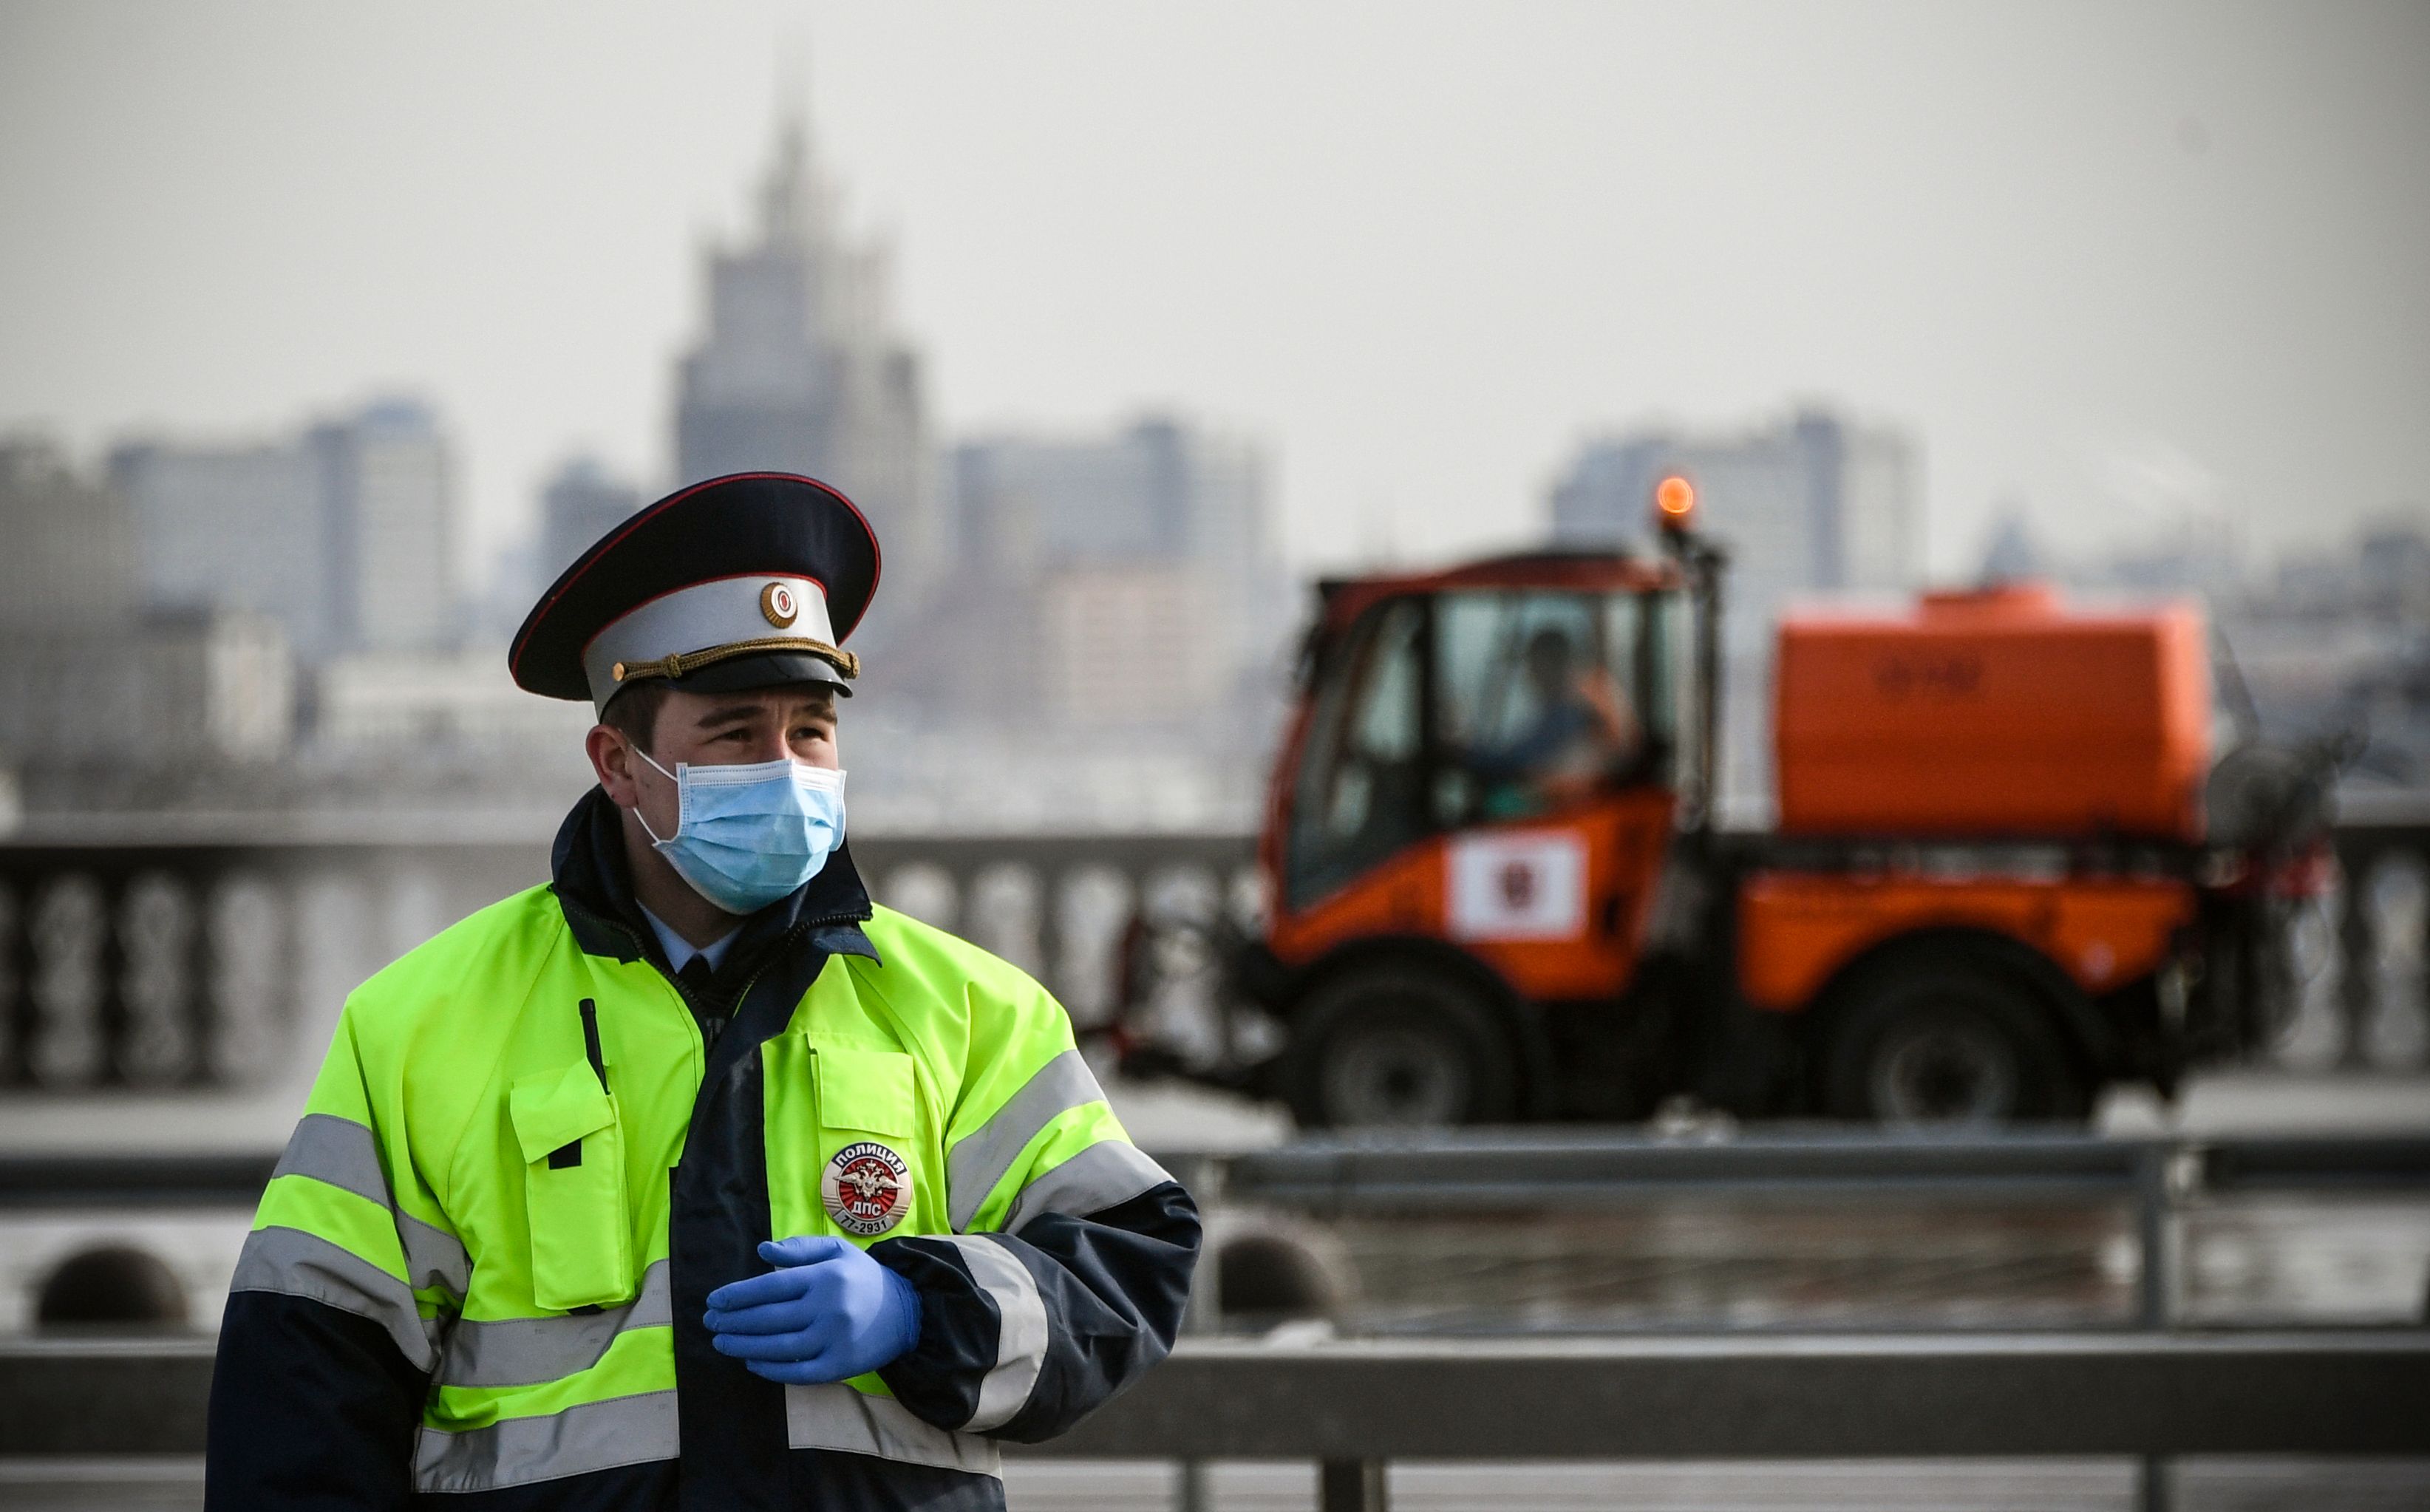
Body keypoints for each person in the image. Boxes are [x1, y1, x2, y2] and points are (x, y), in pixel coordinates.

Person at [205, 472, 1200, 1510]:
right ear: (618, 763)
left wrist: (922, 1307)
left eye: (811, 729)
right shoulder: (418, 1024)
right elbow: (304, 1385)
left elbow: (1130, 1261)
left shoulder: (971, 1009)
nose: (787, 767)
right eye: (734, 733)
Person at [1466, 626, 1642, 815]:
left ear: (1551, 663)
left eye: (1534, 665)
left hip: (1580, 809)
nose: (1529, 675)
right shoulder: (1582, 695)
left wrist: (1468, 757)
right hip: (1583, 803)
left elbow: (1522, 757)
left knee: (1497, 804)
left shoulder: (1573, 707)